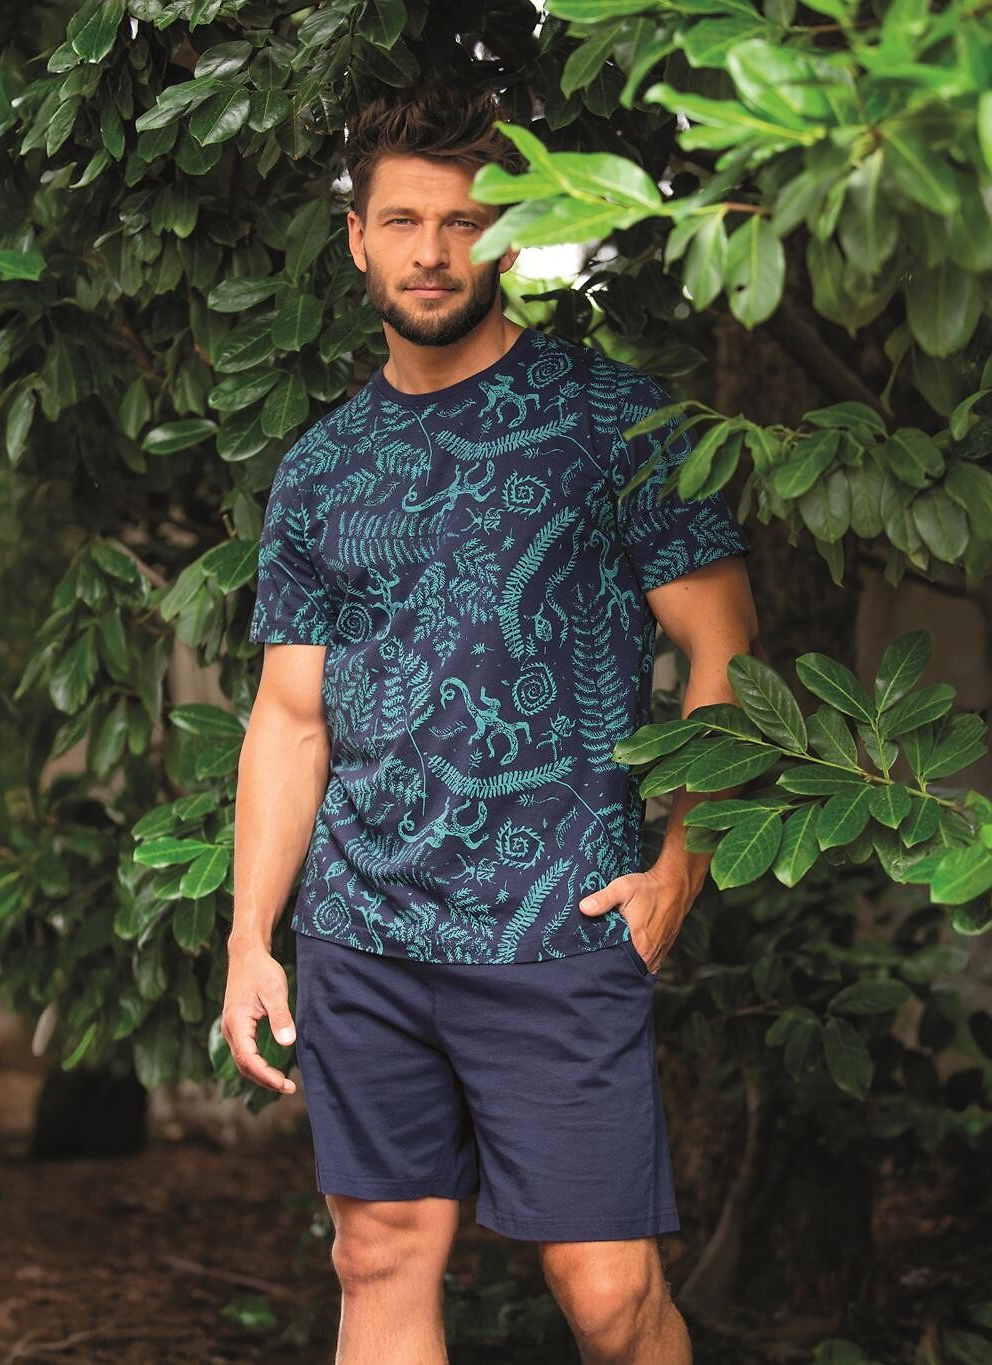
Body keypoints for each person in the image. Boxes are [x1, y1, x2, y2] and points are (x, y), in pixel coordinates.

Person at [223, 78, 761, 1365]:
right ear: (356, 240)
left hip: (555, 925)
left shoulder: (615, 422)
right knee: (375, 1257)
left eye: (462, 222)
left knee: (608, 1297)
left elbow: (724, 652)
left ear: (509, 238)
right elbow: (290, 720)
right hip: (363, 934)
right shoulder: (320, 469)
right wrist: (249, 936)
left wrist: (677, 869)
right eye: (402, 222)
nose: (430, 251)